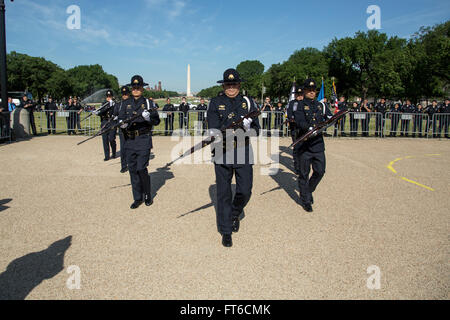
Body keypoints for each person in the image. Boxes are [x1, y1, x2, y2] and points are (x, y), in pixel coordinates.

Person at [207, 68, 261, 247]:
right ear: (223, 85)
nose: (231, 87)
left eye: (234, 84)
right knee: (223, 193)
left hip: (243, 150)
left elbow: (257, 130)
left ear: (239, 84)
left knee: (245, 190)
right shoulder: (215, 102)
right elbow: (213, 128)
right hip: (222, 150)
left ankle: (233, 214)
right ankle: (226, 230)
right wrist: (235, 128)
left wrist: (248, 128)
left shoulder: (248, 102)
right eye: (228, 84)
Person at [118, 75, 160, 209]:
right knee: (132, 170)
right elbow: (120, 118)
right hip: (129, 140)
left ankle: (147, 194)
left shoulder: (148, 103)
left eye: (138, 87)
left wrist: (149, 119)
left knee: (141, 169)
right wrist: (121, 124)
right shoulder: (125, 103)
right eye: (134, 87)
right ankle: (137, 197)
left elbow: (157, 121)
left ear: (142, 88)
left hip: (143, 139)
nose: (135, 89)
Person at [292, 79, 332, 213]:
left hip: (318, 144)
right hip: (305, 145)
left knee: (320, 171)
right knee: (303, 174)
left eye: (313, 90)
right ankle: (306, 200)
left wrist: (331, 121)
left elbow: (329, 118)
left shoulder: (321, 106)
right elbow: (298, 120)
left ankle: (308, 190)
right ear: (304, 91)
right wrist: (309, 128)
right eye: (309, 90)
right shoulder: (299, 105)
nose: (311, 92)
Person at [95, 90, 117, 161]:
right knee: (105, 139)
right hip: (104, 122)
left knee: (111, 139)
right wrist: (97, 112)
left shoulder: (115, 104)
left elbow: (116, 112)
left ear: (112, 96)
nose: (108, 98)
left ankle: (113, 152)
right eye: (107, 96)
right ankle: (107, 155)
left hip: (112, 122)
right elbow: (100, 112)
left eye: (110, 96)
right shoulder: (104, 104)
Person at [286, 86, 304, 174]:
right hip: (295, 128)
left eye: (301, 94)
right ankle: (297, 167)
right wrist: (291, 118)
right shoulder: (292, 103)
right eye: (298, 94)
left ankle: (304, 165)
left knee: (304, 148)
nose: (299, 96)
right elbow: (289, 113)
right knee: (297, 147)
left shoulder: (305, 103)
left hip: (304, 129)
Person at [114, 86, 131, 173]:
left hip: (131, 128)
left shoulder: (132, 103)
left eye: (126, 94)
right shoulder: (119, 104)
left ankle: (131, 163)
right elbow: (115, 114)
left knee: (131, 147)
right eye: (123, 94)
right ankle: (123, 165)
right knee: (123, 147)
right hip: (122, 129)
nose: (124, 96)